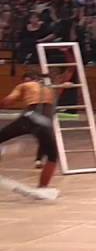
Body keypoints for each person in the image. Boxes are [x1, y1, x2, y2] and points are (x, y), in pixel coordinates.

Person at [0, 71, 60, 199]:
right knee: (52, 156)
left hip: (29, 118)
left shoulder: (24, 86)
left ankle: (3, 151)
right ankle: (42, 188)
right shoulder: (51, 88)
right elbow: (70, 72)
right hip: (44, 123)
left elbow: (7, 102)